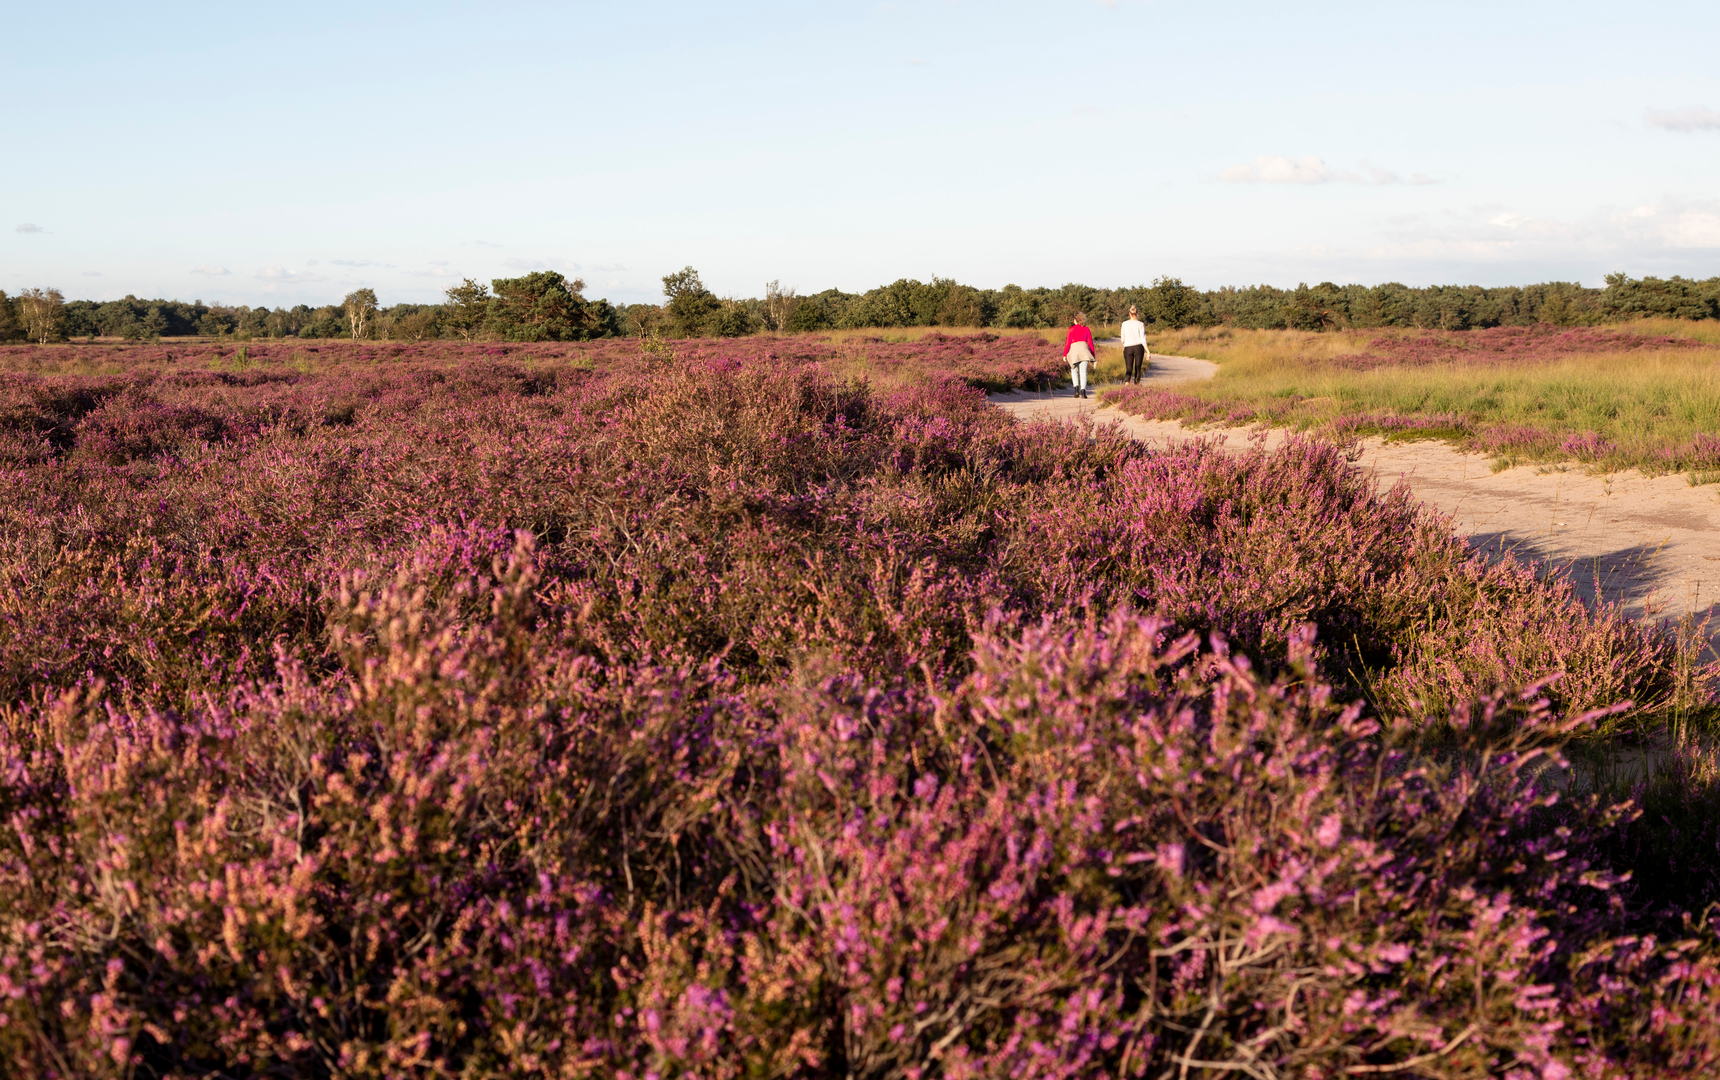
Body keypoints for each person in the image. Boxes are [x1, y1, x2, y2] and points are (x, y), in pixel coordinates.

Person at [1063, 311, 1096, 399]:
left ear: (1075, 320)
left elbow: (1067, 343)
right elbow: (1090, 343)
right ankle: (1083, 393)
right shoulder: (1086, 329)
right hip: (1084, 351)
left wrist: (1065, 354)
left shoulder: (1070, 329)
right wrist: (1093, 354)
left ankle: (1076, 391)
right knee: (1083, 372)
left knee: (1074, 370)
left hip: (1074, 351)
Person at [1121, 305, 1150, 384]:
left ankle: (1127, 384)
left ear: (1129, 313)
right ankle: (1137, 384)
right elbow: (1143, 339)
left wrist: (1125, 344)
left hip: (1128, 347)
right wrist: (1148, 352)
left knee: (1129, 368)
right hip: (1138, 347)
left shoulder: (1124, 324)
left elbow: (1122, 338)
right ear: (1137, 313)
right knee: (1138, 367)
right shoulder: (1140, 324)